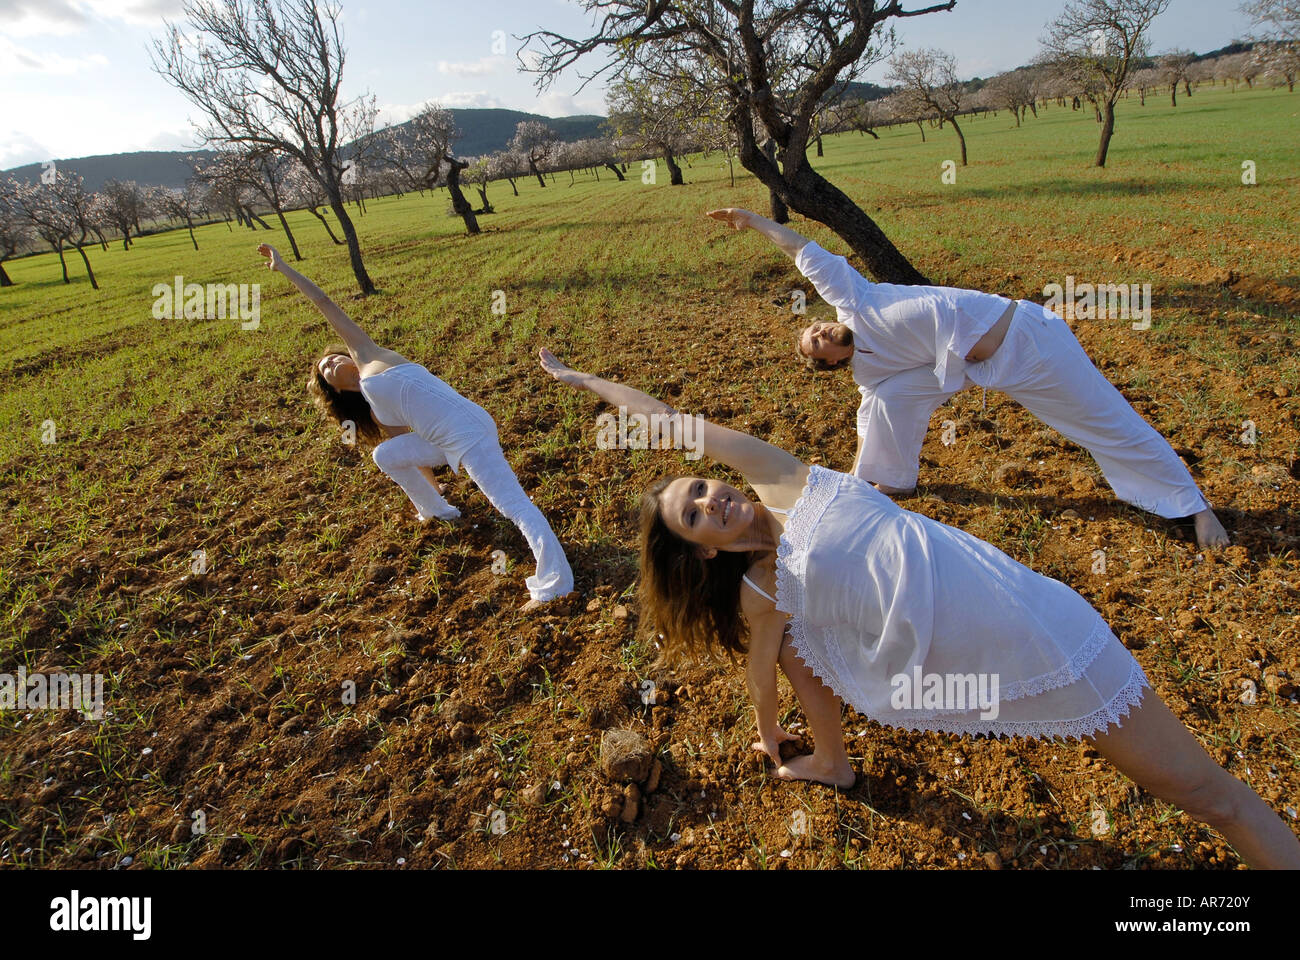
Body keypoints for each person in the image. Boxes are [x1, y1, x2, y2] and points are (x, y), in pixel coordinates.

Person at [537, 346, 1300, 869]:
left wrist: (585, 381)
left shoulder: (777, 474)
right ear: (702, 550)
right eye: (695, 514)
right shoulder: (763, 590)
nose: (712, 498)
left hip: (1042, 621)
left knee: (1205, 794)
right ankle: (832, 762)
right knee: (1199, 793)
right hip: (978, 660)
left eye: (700, 487)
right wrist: (772, 738)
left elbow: (666, 419)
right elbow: (766, 672)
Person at [705, 208, 1231, 550]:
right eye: (815, 343)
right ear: (831, 364)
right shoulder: (870, 369)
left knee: (1104, 422)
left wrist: (752, 221)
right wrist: (859, 476)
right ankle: (886, 483)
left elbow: (802, 251)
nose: (819, 330)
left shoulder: (853, 298)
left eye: (814, 327)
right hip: (993, 370)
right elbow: (879, 410)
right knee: (885, 399)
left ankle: (1194, 508)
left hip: (1033, 340)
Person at [258, 243, 573, 611]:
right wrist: (433, 485)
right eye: (327, 370)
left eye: (333, 357)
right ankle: (436, 509)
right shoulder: (377, 410)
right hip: (449, 440)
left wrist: (283, 268)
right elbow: (409, 446)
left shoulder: (368, 354)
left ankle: (555, 584)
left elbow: (324, 302)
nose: (332, 363)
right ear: (336, 390)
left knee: (514, 507)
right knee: (386, 454)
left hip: (468, 433)